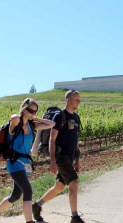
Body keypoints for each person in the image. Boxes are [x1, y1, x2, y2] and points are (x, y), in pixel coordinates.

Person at [0, 98, 55, 223]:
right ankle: (29, 221)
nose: (33, 113)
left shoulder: (32, 125)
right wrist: (20, 115)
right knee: (27, 190)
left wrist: (36, 118)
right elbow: (13, 118)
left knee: (15, 195)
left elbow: (51, 124)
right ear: (24, 109)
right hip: (14, 162)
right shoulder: (15, 125)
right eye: (30, 110)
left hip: (25, 163)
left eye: (35, 111)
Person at [32, 89, 85, 223]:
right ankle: (74, 217)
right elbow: (52, 139)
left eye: (79, 100)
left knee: (60, 186)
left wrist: (77, 160)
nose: (78, 102)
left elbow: (74, 141)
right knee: (74, 183)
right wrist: (53, 161)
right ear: (68, 100)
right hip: (61, 156)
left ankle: (36, 205)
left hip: (70, 156)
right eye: (76, 100)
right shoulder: (59, 116)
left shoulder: (76, 117)